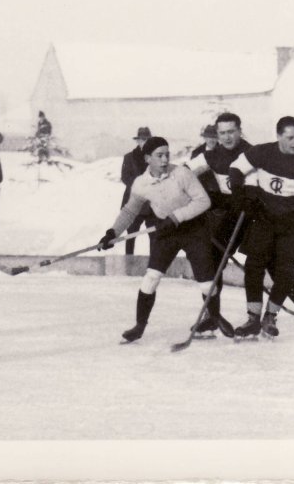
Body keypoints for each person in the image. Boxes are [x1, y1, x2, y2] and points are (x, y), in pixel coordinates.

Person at [185, 113, 294, 341]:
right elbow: (191, 173)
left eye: (232, 131)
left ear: (240, 130)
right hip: (250, 218)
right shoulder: (230, 154)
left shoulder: (289, 160)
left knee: (279, 271)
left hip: (271, 220)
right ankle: (226, 317)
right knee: (230, 262)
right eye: (222, 133)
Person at [96, 136, 232, 343]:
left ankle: (214, 317)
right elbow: (129, 212)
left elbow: (203, 201)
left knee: (206, 283)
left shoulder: (181, 174)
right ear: (147, 158)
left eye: (167, 154)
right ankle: (139, 326)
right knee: (151, 278)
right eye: (159, 155)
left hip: (194, 229)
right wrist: (112, 233)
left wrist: (176, 217)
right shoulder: (141, 184)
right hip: (166, 234)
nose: (164, 159)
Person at [226, 116, 294, 340]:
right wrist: (241, 197)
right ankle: (253, 319)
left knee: (284, 273)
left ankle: (270, 315)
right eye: (290, 137)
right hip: (264, 219)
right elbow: (236, 169)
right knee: (254, 266)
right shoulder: (263, 152)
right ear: (278, 136)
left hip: (291, 224)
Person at [119, 127, 153, 255]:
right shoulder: (129, 157)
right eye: (141, 139)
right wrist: (139, 187)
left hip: (151, 203)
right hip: (134, 201)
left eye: (147, 139)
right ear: (137, 141)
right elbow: (125, 177)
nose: (144, 142)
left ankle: (154, 264)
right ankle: (129, 261)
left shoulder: (156, 157)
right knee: (131, 233)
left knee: (154, 234)